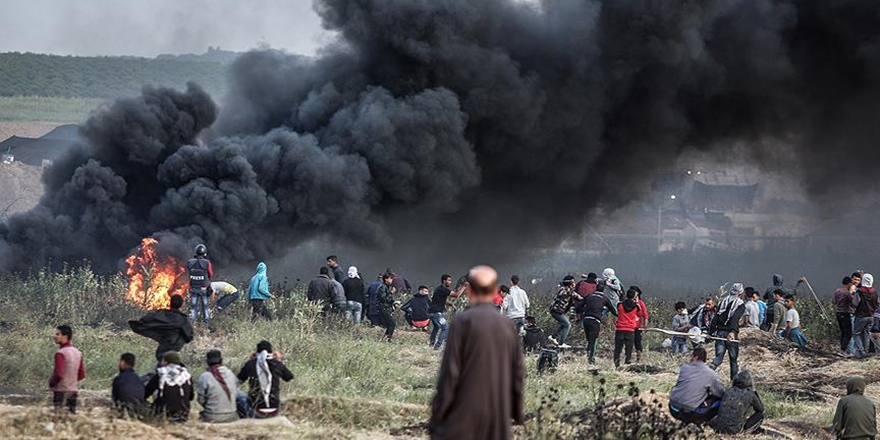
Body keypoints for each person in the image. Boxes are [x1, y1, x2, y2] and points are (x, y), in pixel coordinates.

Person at [428, 265, 524, 439]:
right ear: (495, 290)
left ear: (470, 291)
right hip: (497, 412)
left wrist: (439, 410)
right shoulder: (507, 326)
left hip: (465, 408)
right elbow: (517, 372)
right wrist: (516, 411)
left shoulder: (462, 321)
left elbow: (451, 370)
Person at [129, 294, 194, 364]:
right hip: (175, 345)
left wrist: (141, 323)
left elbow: (147, 318)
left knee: (162, 358)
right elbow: (189, 335)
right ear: (181, 305)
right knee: (166, 359)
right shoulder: (183, 319)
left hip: (165, 344)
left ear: (170, 303)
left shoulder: (161, 314)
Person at [237, 340, 294, 418]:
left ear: (256, 352)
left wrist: (250, 361)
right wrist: (279, 361)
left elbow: (239, 381)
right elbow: (289, 378)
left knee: (239, 395)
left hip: (256, 407)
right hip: (274, 407)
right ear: (272, 352)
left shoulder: (250, 364)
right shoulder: (277, 364)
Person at [668, 347, 724, 425]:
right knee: (719, 401)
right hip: (689, 413)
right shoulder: (710, 374)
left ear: (696, 357)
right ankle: (699, 422)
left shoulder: (684, 367)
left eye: (691, 356)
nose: (690, 358)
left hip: (672, 407)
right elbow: (720, 393)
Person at [710, 283, 746, 382]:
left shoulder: (723, 302)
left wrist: (711, 332)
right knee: (733, 359)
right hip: (730, 334)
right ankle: (734, 381)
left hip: (720, 332)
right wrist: (733, 332)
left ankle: (710, 368)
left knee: (719, 356)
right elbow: (735, 319)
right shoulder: (740, 304)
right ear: (740, 293)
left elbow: (716, 317)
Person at [709, 370, 764, 434]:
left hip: (718, 428)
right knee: (760, 415)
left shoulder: (728, 391)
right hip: (735, 430)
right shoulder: (750, 394)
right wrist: (755, 392)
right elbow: (760, 409)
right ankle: (747, 431)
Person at [145, 351, 193, 422]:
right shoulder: (187, 376)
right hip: (183, 414)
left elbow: (147, 392)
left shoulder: (161, 374)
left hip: (164, 414)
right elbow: (191, 397)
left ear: (166, 362)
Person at [575, 284, 616, 364]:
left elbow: (578, 307)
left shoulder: (589, 296)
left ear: (596, 288)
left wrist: (578, 316)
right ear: (603, 290)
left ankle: (588, 356)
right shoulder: (605, 298)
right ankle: (591, 361)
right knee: (593, 341)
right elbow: (613, 310)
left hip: (586, 320)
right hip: (595, 320)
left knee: (589, 340)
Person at [49, 324, 86, 413]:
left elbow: (59, 374)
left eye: (57, 334)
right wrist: (71, 381)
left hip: (61, 392)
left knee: (59, 418)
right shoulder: (78, 352)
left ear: (65, 336)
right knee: (70, 419)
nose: (54, 336)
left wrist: (52, 383)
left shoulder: (60, 353)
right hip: (73, 392)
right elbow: (81, 374)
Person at [196, 349, 239, 423]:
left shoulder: (205, 376)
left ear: (207, 362)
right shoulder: (230, 373)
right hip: (232, 416)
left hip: (212, 416)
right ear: (221, 360)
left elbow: (201, 400)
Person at [187, 244, 214, 325]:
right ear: (204, 253)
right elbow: (210, 274)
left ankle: (193, 324)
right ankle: (206, 324)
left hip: (193, 287)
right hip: (203, 288)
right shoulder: (207, 263)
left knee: (193, 307)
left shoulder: (190, 262)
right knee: (205, 306)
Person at [548, 275, 577, 348]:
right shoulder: (563, 289)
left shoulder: (570, 291)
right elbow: (563, 294)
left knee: (564, 324)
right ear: (570, 283)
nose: (574, 283)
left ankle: (553, 337)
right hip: (556, 310)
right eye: (573, 282)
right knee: (567, 325)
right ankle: (561, 343)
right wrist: (571, 289)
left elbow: (578, 297)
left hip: (559, 311)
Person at [614, 288, 640, 368]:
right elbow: (639, 314)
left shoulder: (620, 305)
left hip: (620, 329)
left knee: (618, 349)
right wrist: (636, 302)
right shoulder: (636, 306)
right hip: (630, 330)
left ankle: (617, 365)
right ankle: (626, 364)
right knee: (628, 350)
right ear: (634, 297)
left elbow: (617, 311)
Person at [853, 273, 878, 357]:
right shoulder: (875, 292)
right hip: (871, 316)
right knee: (867, 333)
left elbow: (855, 303)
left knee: (856, 333)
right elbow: (877, 304)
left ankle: (861, 351)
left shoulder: (859, 292)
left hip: (861, 315)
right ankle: (866, 351)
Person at [429, 274, 456, 350]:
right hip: (436, 313)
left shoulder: (439, 289)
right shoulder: (443, 289)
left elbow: (441, 300)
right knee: (445, 328)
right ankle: (437, 346)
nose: (451, 282)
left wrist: (451, 304)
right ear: (444, 281)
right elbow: (456, 295)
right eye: (449, 280)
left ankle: (431, 343)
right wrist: (463, 287)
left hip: (431, 312)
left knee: (436, 327)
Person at [835, 276, 856, 357]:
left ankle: (842, 349)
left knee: (843, 332)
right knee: (848, 333)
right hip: (845, 313)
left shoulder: (837, 291)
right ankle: (843, 350)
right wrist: (852, 293)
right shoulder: (846, 293)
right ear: (849, 283)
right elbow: (853, 302)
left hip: (838, 313)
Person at [375, 273, 397, 341]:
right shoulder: (382, 287)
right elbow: (383, 299)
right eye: (390, 278)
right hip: (383, 307)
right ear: (386, 279)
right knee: (392, 323)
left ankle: (386, 338)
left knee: (389, 324)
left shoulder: (386, 287)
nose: (392, 280)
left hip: (385, 307)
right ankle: (387, 338)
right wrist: (391, 293)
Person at [632, 286, 649, 362]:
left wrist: (645, 325)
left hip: (638, 326)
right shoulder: (628, 302)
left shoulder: (641, 303)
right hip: (629, 326)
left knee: (637, 343)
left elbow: (645, 315)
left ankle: (638, 359)